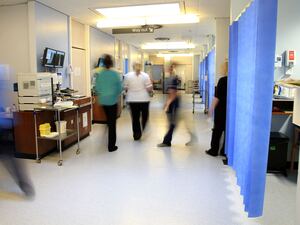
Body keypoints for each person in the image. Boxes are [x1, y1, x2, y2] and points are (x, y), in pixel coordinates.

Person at [0, 80, 35, 197]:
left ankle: (26, 186)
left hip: (2, 128)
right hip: (4, 125)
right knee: (11, 159)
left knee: (10, 158)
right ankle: (26, 187)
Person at [157, 63, 196, 147]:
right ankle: (192, 136)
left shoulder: (172, 78)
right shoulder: (172, 78)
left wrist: (167, 104)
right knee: (176, 122)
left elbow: (173, 94)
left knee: (172, 123)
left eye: (170, 67)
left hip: (174, 104)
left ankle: (166, 141)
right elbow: (172, 93)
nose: (168, 69)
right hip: (175, 103)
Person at [95, 54, 122, 152]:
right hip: (112, 101)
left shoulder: (100, 74)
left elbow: (97, 88)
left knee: (108, 120)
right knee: (112, 124)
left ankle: (106, 131)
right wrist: (115, 94)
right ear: (111, 63)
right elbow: (119, 88)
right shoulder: (115, 74)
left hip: (103, 101)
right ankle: (111, 146)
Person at [124, 62, 153, 141]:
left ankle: (137, 135)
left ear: (132, 67)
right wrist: (151, 89)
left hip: (132, 100)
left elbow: (125, 88)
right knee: (145, 116)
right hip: (144, 100)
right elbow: (149, 88)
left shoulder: (127, 76)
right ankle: (143, 127)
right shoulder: (145, 76)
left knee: (135, 118)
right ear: (141, 67)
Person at [206, 62, 228, 157]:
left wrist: (211, 109)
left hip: (221, 110)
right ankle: (224, 151)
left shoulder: (223, 80)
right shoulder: (235, 80)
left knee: (217, 130)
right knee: (227, 131)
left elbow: (217, 97)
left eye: (222, 67)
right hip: (230, 110)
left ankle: (214, 150)